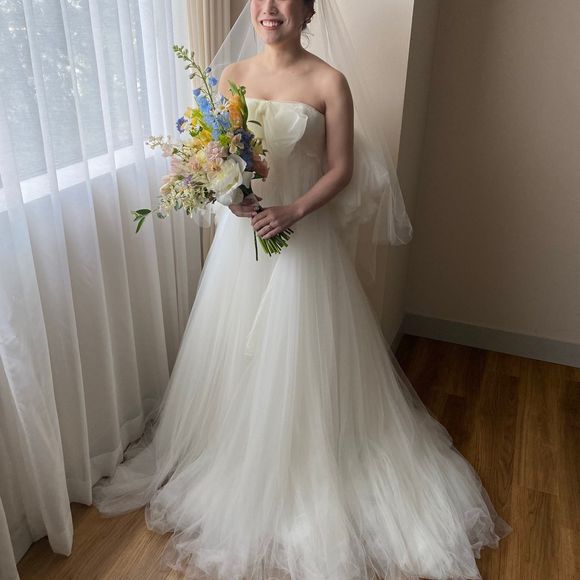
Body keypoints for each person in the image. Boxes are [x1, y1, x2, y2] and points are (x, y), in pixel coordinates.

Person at [93, 1, 513, 578]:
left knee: (297, 355)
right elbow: (212, 153)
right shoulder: (231, 75)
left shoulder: (329, 82)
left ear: (309, 8)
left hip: (302, 239)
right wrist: (229, 194)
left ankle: (303, 462)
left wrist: (292, 210)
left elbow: (340, 169)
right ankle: (238, 452)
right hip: (243, 242)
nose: (269, 8)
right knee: (236, 349)